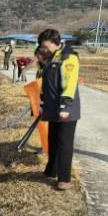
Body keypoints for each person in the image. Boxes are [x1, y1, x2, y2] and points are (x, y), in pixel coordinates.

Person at [37, 29, 80, 191]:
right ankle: (51, 170)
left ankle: (64, 179)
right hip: (52, 107)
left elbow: (70, 83)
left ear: (56, 43)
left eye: (46, 46)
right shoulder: (52, 57)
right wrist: (42, 104)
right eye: (42, 46)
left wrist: (65, 106)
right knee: (53, 139)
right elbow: (45, 83)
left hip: (65, 108)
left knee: (64, 143)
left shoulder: (68, 57)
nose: (44, 49)